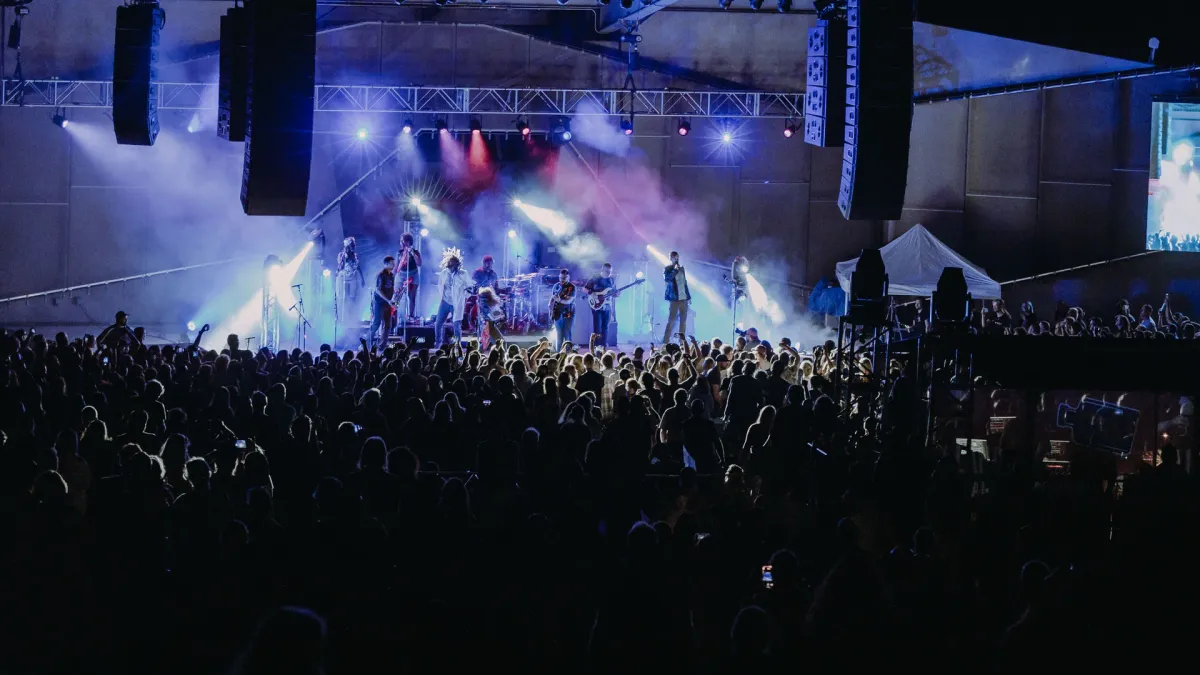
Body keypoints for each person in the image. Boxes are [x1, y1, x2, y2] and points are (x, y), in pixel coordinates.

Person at [434, 249, 470, 350]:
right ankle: (438, 344)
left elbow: (469, 287)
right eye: (452, 265)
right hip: (445, 301)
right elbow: (440, 286)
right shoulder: (444, 273)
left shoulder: (463, 274)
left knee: (456, 326)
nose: (454, 267)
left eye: (456, 265)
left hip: (456, 303)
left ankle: (456, 345)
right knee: (438, 324)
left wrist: (464, 297)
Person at [583, 263, 617, 347]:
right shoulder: (595, 277)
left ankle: (603, 345)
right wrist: (592, 293)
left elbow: (613, 293)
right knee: (597, 328)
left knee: (605, 327)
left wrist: (616, 294)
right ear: (603, 269)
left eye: (610, 271)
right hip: (596, 306)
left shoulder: (611, 280)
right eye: (607, 271)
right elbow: (584, 289)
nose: (609, 273)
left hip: (607, 306)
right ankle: (596, 346)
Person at [662, 251, 691, 344]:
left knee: (683, 322)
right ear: (670, 258)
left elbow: (684, 283)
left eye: (677, 257)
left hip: (683, 298)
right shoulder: (668, 268)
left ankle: (682, 342)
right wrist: (674, 270)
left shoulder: (682, 269)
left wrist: (688, 297)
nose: (676, 259)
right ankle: (665, 341)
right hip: (674, 299)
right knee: (671, 321)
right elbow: (667, 279)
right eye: (674, 257)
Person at [369, 256, 397, 349]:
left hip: (387, 303)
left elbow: (391, 288)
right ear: (386, 264)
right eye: (392, 263)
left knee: (388, 325)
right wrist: (388, 300)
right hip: (379, 303)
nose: (394, 265)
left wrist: (393, 299)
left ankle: (382, 345)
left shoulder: (391, 275)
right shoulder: (381, 275)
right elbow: (378, 290)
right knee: (376, 323)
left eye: (394, 263)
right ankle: (367, 343)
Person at [336, 237, 365, 327]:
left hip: (352, 278)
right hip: (342, 278)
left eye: (354, 245)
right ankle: (341, 318)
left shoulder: (355, 256)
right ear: (347, 246)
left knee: (352, 298)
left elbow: (358, 267)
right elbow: (339, 267)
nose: (354, 247)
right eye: (352, 245)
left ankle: (351, 317)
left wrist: (362, 279)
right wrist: (344, 256)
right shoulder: (341, 255)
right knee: (342, 298)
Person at [394, 232, 422, 321]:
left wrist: (412, 253)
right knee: (397, 296)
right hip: (401, 275)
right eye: (401, 241)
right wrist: (391, 277)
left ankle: (411, 316)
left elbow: (419, 264)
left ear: (408, 242)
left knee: (412, 297)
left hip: (413, 275)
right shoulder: (399, 253)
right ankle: (394, 315)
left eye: (402, 241)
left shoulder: (415, 252)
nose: (401, 243)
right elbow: (396, 267)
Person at [477, 286, 504, 352]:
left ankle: (478, 353)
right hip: (488, 324)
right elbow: (493, 315)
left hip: (488, 323)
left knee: (488, 341)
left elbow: (491, 315)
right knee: (491, 340)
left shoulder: (485, 303)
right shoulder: (487, 303)